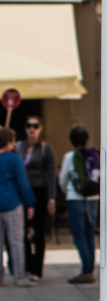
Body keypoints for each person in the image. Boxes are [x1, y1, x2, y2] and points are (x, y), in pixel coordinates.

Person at [15, 116, 56, 281]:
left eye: (35, 126)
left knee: (39, 232)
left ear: (40, 129)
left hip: (39, 192)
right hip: (22, 192)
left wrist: (51, 198)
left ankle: (36, 270)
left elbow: (51, 174)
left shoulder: (45, 149)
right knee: (22, 231)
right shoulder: (19, 147)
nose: (31, 129)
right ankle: (26, 265)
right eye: (28, 125)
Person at [58, 125, 100, 284]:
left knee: (79, 235)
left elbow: (62, 179)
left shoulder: (70, 156)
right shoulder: (93, 155)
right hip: (93, 198)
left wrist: (67, 191)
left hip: (75, 198)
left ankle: (86, 270)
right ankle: (90, 270)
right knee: (90, 234)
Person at [0, 126, 36, 287]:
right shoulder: (14, 159)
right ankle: (19, 276)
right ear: (10, 142)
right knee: (15, 241)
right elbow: (23, 183)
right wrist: (29, 203)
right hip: (12, 203)